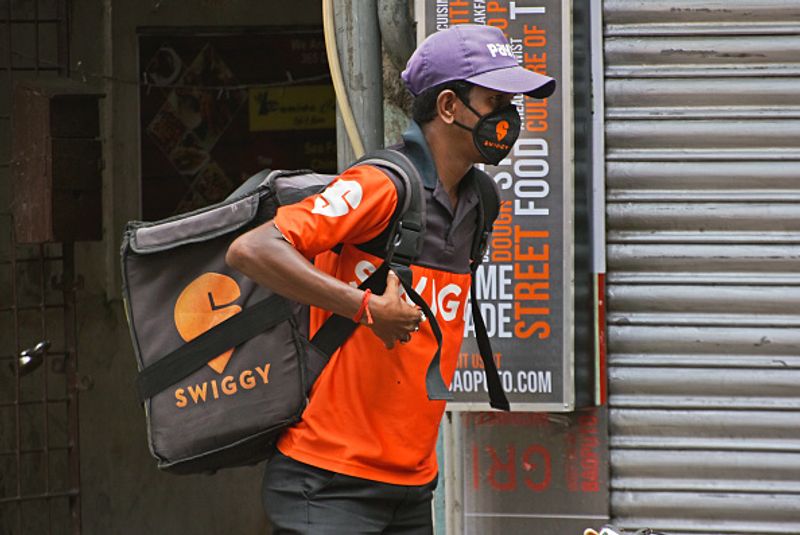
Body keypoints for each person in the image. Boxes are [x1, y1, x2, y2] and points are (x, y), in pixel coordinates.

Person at [226, 23, 555, 535]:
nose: (509, 119)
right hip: (328, 481)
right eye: (495, 101)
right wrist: (365, 307)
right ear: (448, 107)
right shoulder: (381, 186)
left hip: (410, 486)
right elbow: (252, 249)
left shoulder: (480, 202)